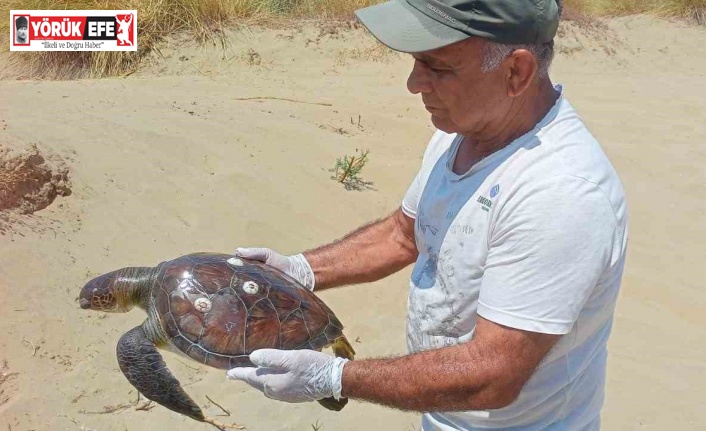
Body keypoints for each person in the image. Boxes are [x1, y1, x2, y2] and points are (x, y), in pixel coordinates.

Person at [226, 0, 629, 429]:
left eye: (438, 67)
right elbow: (405, 234)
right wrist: (300, 271)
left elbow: (492, 376)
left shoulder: (561, 192)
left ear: (516, 72)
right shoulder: (465, 130)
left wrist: (335, 377)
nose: (414, 83)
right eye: (417, 63)